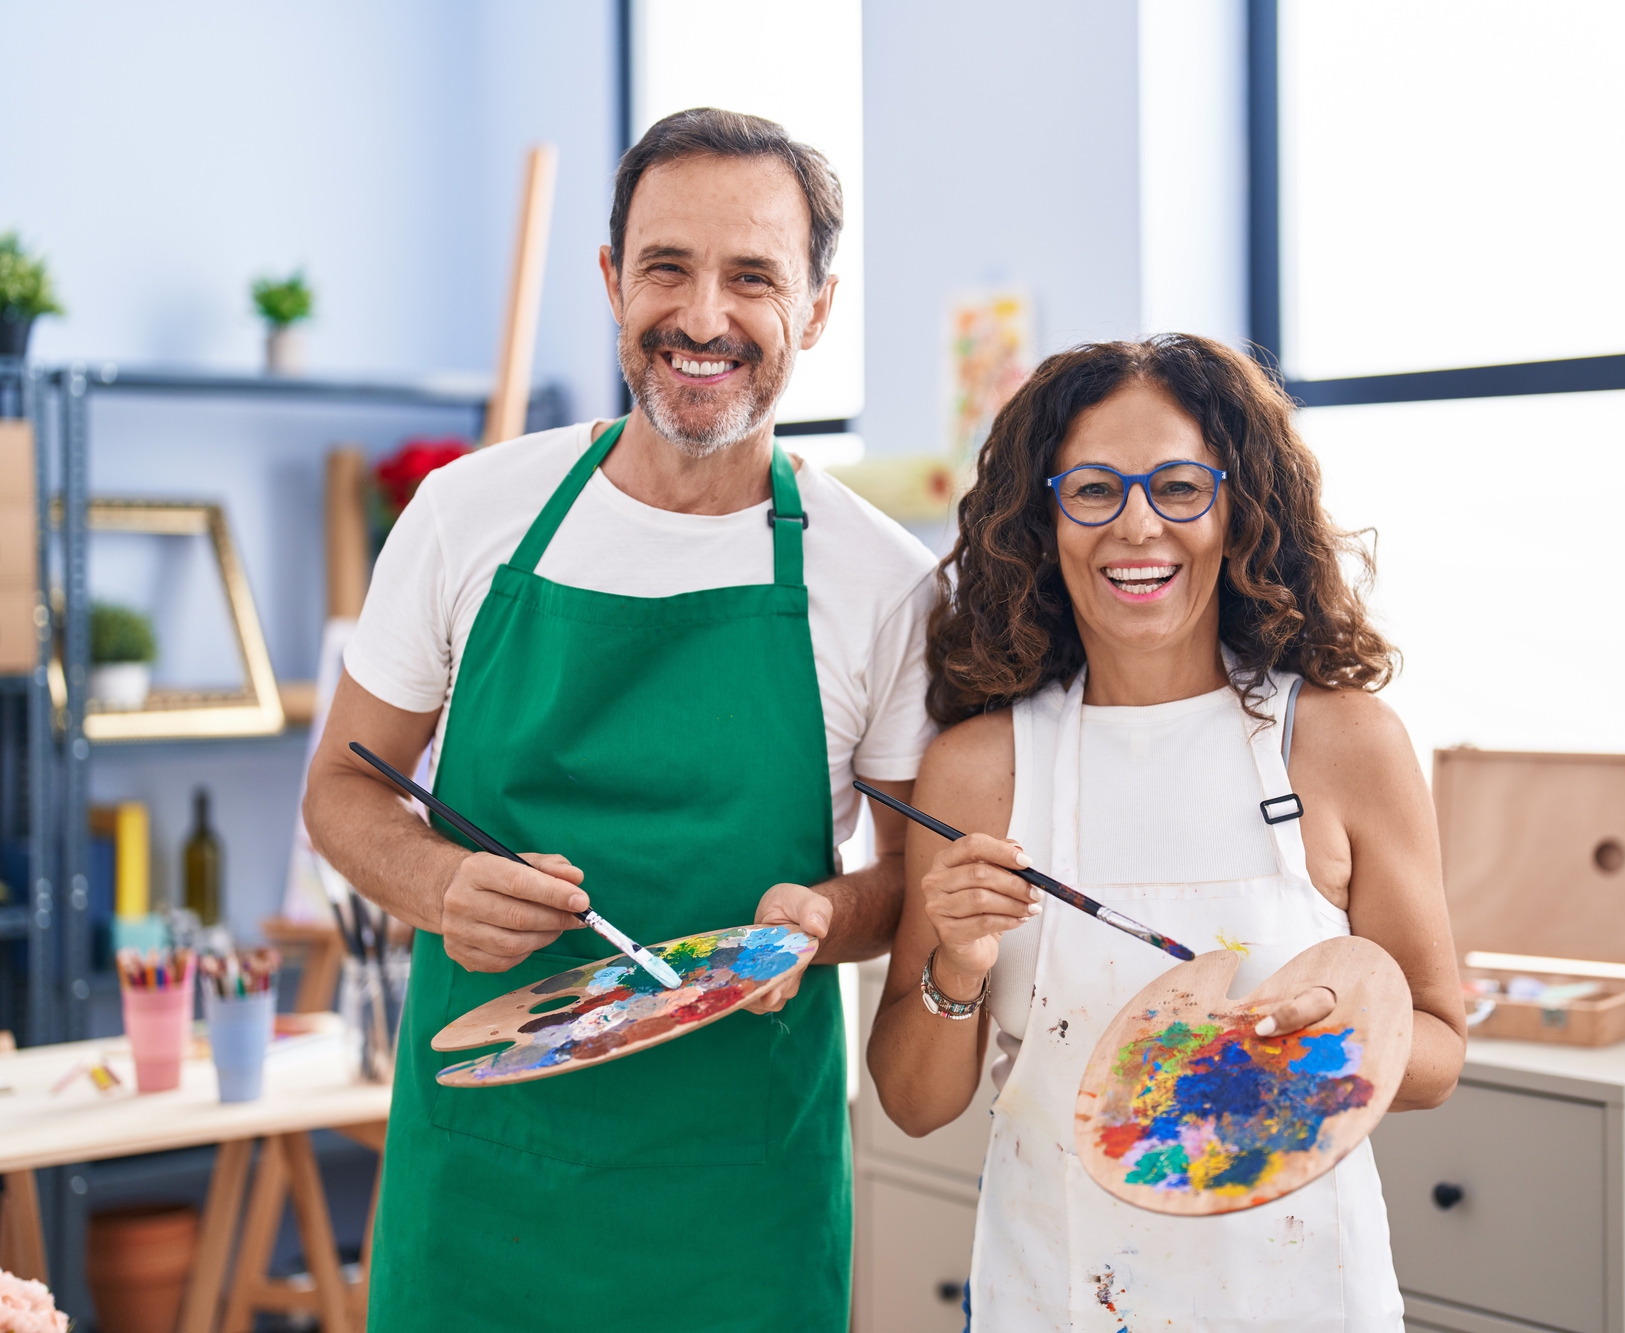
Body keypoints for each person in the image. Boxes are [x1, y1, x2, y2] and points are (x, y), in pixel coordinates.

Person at [302, 108, 935, 1331]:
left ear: (815, 307)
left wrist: (823, 915)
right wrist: (438, 884)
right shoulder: (465, 515)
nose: (703, 317)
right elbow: (343, 784)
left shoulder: (885, 582)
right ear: (609, 281)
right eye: (665, 267)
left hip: (738, 1199)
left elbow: (908, 883)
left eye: (752, 276)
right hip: (484, 1182)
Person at [866, 335, 1467, 1331]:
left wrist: (1334, 1038)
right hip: (1051, 1295)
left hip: (1303, 1298)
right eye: (1093, 489)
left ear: (1237, 512)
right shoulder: (975, 768)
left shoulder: (1337, 743)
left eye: (1180, 486)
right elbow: (914, 1102)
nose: (1137, 524)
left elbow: (1439, 1049)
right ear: (1042, 516)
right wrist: (959, 965)